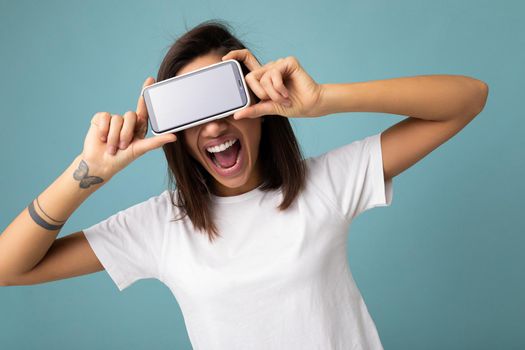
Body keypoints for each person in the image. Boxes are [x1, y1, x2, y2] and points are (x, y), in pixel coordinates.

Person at [0, 20, 488, 350]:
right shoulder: (162, 225)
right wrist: (88, 173)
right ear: (174, 133)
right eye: (193, 113)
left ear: (259, 108)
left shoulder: (328, 183)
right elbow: (9, 268)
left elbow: (467, 99)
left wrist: (321, 99)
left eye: (223, 102)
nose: (212, 128)